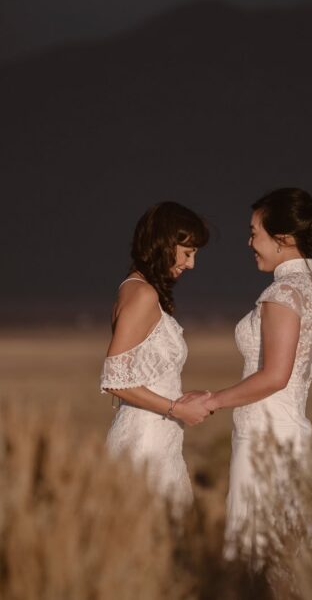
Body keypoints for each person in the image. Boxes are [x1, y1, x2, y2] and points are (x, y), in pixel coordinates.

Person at [197, 187, 312, 559]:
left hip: (265, 440)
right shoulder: (310, 290)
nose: (249, 242)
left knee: (253, 554)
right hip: (287, 434)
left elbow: (275, 376)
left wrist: (213, 401)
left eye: (254, 232)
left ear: (283, 239)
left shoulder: (284, 293)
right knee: (281, 552)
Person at [99, 201, 211, 512]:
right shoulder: (142, 294)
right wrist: (175, 408)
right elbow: (114, 380)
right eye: (188, 253)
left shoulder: (139, 290)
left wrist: (180, 399)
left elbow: (143, 374)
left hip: (160, 440)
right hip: (144, 445)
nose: (191, 265)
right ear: (165, 243)